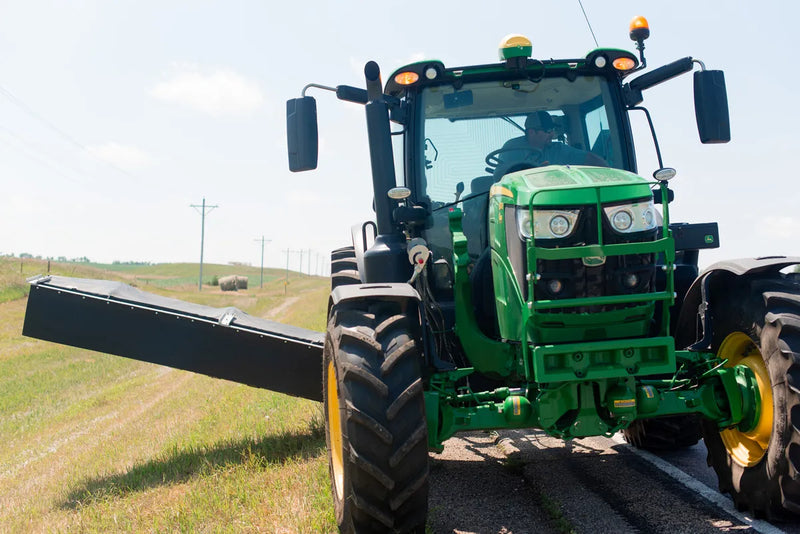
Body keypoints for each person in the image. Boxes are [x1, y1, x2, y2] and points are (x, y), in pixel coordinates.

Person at [495, 110, 607, 172]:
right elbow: (499, 177)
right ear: (531, 132)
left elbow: (591, 159)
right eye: (547, 130)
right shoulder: (511, 149)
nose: (552, 134)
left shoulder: (558, 149)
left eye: (553, 130)